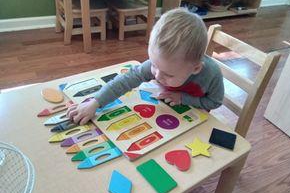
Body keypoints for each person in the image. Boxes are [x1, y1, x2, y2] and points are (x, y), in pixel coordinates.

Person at [67, 8, 224, 125]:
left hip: (195, 121)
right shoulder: (163, 66)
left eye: (168, 75)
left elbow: (215, 102)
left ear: (195, 69)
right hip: (165, 112)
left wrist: (183, 98)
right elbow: (125, 80)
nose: (157, 76)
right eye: (154, 65)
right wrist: (95, 102)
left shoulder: (212, 74)